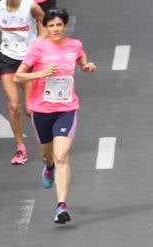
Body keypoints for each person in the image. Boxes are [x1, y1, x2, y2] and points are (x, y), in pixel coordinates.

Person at [13, 6, 95, 224]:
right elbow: (18, 77)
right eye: (51, 26)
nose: (56, 29)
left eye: (59, 25)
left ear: (65, 26)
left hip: (66, 109)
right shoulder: (38, 48)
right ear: (45, 27)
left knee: (62, 156)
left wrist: (86, 66)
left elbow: (81, 58)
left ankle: (61, 207)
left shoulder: (74, 45)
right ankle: (48, 168)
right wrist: (40, 73)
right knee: (48, 156)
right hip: (42, 111)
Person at [0, 0, 44, 164]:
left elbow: (44, 24)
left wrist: (38, 43)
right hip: (6, 59)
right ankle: (21, 148)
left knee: (30, 109)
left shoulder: (31, 6)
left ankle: (48, 139)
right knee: (14, 105)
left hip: (28, 61)